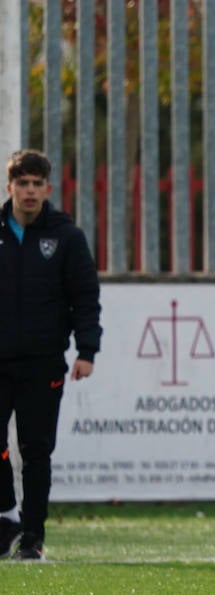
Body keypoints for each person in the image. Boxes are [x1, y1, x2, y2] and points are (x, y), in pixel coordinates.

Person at [0, 149, 102, 561]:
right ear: (10, 187)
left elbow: (85, 297)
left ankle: (32, 539)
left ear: (47, 188)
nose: (29, 191)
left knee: (36, 451)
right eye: (22, 183)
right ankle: (8, 513)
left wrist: (87, 349)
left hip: (44, 362)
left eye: (36, 183)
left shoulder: (66, 237)